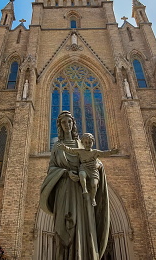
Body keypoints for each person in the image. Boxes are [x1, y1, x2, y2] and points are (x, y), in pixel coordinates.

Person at [39, 111, 110, 260]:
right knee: (63, 227)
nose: (67, 125)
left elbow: (91, 161)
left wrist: (98, 166)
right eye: (64, 122)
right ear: (60, 125)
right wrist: (65, 173)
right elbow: (51, 169)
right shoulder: (57, 147)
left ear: (73, 124)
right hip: (64, 190)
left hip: (80, 191)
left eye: (69, 122)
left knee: (83, 226)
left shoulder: (81, 144)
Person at [57, 133, 118, 206]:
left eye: (90, 142)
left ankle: (93, 198)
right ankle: (84, 189)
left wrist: (112, 152)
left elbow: (104, 153)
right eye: (85, 142)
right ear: (82, 143)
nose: (88, 144)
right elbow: (71, 150)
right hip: (84, 167)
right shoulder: (80, 151)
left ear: (93, 143)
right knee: (82, 175)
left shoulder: (95, 152)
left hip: (93, 170)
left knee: (94, 185)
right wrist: (64, 148)